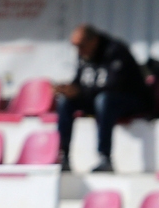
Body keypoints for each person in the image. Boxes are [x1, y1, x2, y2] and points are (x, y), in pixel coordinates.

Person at [54, 24, 148, 173]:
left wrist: (80, 92)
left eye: (81, 45)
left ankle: (105, 158)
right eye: (76, 46)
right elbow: (81, 81)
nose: (78, 50)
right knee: (65, 101)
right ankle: (62, 156)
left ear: (94, 41)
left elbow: (114, 85)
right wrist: (69, 89)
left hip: (130, 100)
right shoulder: (83, 54)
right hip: (97, 98)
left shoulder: (116, 51)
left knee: (104, 100)